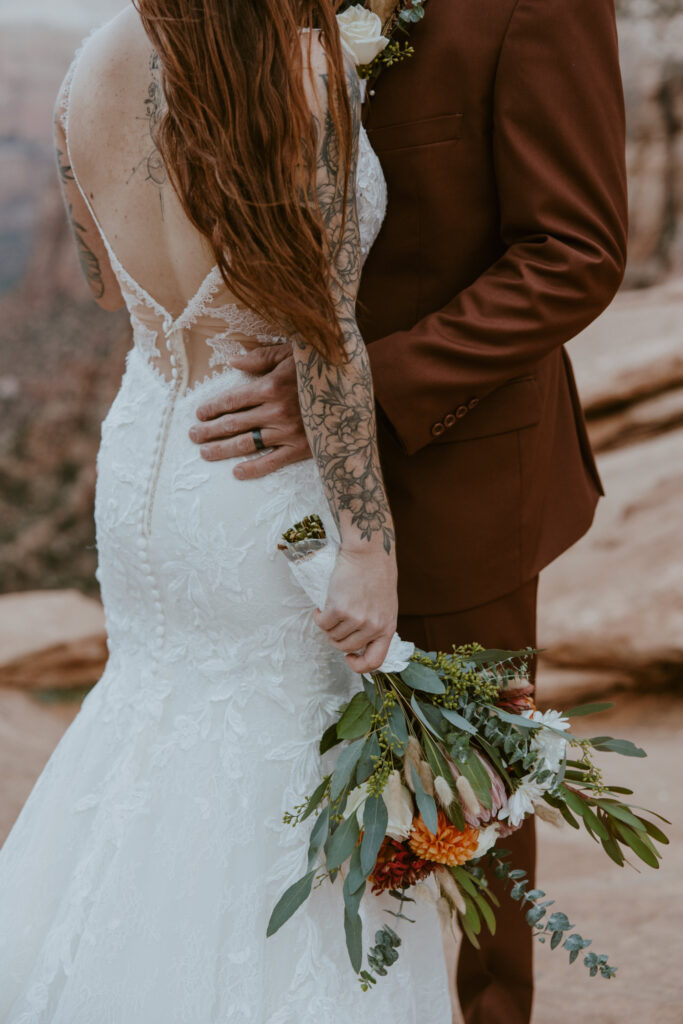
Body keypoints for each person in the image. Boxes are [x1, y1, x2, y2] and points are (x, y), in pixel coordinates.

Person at [0, 3, 453, 1021]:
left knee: (151, 725)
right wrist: (369, 547)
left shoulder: (92, 61)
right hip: (257, 472)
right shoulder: (295, 64)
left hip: (150, 457)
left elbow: (101, 283)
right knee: (273, 757)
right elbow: (326, 339)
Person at [189, 1, 629, 1022]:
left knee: (471, 805)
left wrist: (360, 391)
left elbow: (574, 253)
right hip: (266, 477)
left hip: (458, 470)